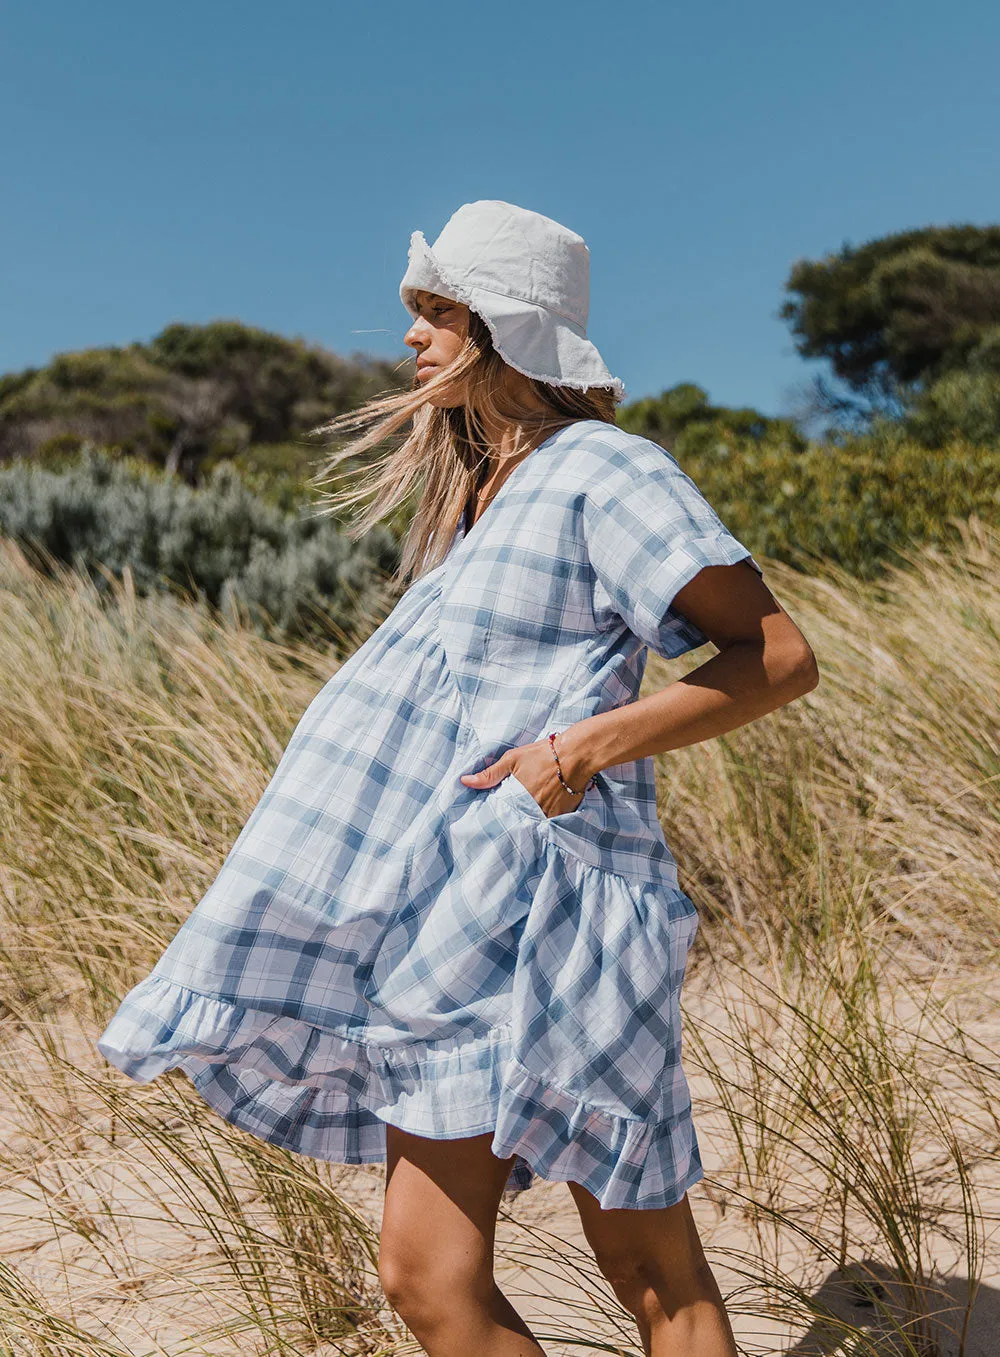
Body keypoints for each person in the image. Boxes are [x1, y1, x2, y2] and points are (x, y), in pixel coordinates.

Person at [98, 199, 819, 1356]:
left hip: (564, 908)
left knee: (648, 1264)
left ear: (504, 328)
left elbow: (776, 657)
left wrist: (580, 747)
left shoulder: (604, 472)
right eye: (418, 312)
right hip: (443, 918)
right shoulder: (476, 505)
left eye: (439, 311)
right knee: (425, 1275)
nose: (413, 335)